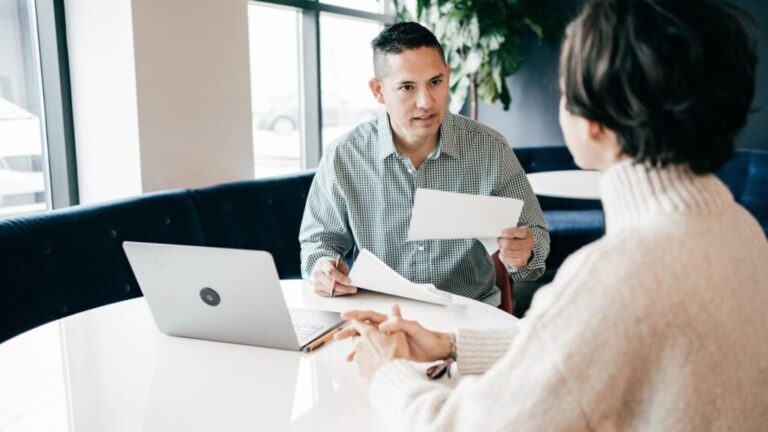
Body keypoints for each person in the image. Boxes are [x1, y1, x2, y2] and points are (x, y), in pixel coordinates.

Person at [337, 0, 768, 429]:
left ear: (592, 121)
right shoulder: (743, 231)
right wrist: (451, 344)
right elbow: (580, 347)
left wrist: (385, 370)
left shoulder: (618, 273)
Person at [299, 22, 550, 306]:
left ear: (448, 76)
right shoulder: (343, 156)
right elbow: (319, 243)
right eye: (407, 87)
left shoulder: (491, 149)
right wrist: (321, 267)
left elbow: (535, 233)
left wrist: (525, 251)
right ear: (379, 91)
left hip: (470, 314)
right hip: (381, 316)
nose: (426, 102)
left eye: (435, 82)